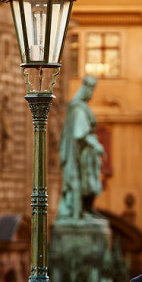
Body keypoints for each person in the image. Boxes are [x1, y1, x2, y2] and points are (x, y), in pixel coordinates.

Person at [57, 76, 105, 220]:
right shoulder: (78, 109)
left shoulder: (78, 107)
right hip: (78, 156)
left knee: (84, 184)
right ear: (86, 89)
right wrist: (96, 145)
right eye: (91, 90)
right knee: (80, 184)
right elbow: (80, 133)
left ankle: (85, 212)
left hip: (82, 155)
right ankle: (79, 214)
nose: (92, 94)